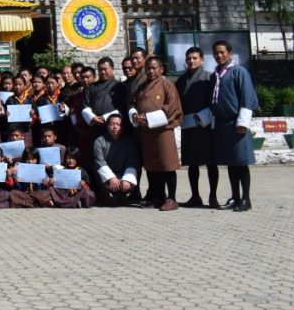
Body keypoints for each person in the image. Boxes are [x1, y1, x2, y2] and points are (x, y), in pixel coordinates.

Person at [209, 40, 259, 212]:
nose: (219, 55)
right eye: (216, 53)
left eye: (222, 52)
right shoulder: (215, 74)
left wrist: (243, 123)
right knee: (231, 163)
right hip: (222, 125)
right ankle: (235, 196)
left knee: (241, 162)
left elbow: (247, 97)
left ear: (229, 53)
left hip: (237, 123)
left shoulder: (239, 72)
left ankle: (246, 199)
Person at [129, 56, 183, 211]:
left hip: (162, 132)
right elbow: (133, 103)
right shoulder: (142, 86)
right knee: (152, 167)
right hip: (146, 132)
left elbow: (171, 107)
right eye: (148, 69)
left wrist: (148, 118)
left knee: (167, 165)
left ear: (161, 69)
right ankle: (157, 196)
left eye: (154, 68)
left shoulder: (167, 85)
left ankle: (172, 198)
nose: (151, 71)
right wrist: (135, 115)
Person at [176, 47, 218, 208]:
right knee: (192, 163)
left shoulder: (209, 78)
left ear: (202, 60)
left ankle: (212, 196)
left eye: (195, 58)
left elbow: (214, 101)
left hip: (205, 126)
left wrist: (203, 116)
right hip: (188, 125)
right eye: (189, 58)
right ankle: (195, 196)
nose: (191, 61)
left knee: (210, 162)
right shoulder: (181, 81)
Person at [92, 114, 140, 206]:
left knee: (130, 181)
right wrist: (111, 178)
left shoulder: (129, 142)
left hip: (123, 174)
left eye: (118, 124)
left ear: (122, 127)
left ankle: (122, 195)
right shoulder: (99, 141)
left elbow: (132, 162)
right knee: (97, 170)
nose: (115, 127)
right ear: (107, 126)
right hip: (107, 177)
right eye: (111, 124)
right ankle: (106, 195)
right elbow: (99, 162)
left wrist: (127, 179)